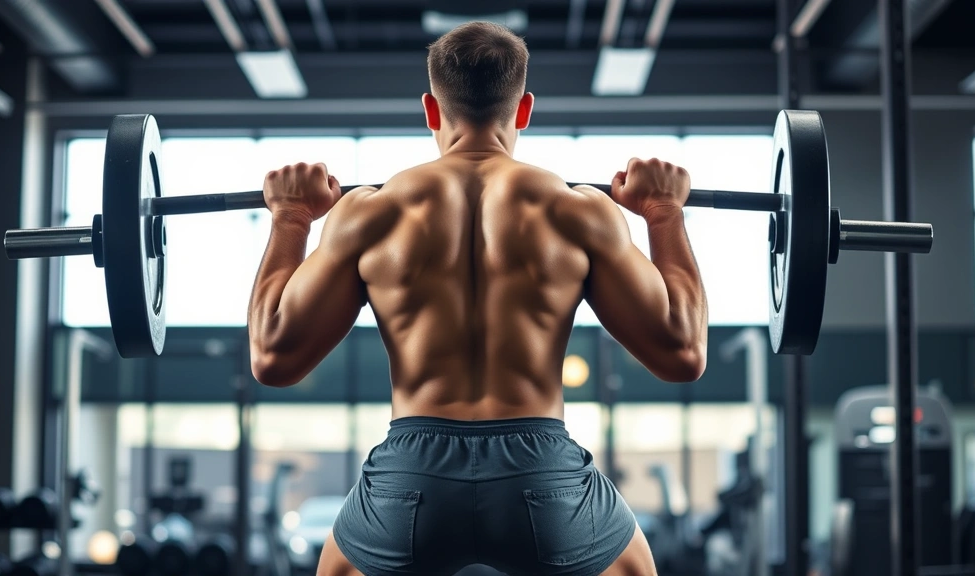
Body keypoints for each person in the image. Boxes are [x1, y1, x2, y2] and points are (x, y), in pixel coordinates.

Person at [246, 21, 708, 576]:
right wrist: (663, 214)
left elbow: (272, 357)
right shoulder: (578, 211)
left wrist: (291, 218)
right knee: (634, 565)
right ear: (525, 108)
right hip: (542, 479)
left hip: (411, 482)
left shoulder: (371, 212)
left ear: (431, 110)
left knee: (338, 564)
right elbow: (683, 354)